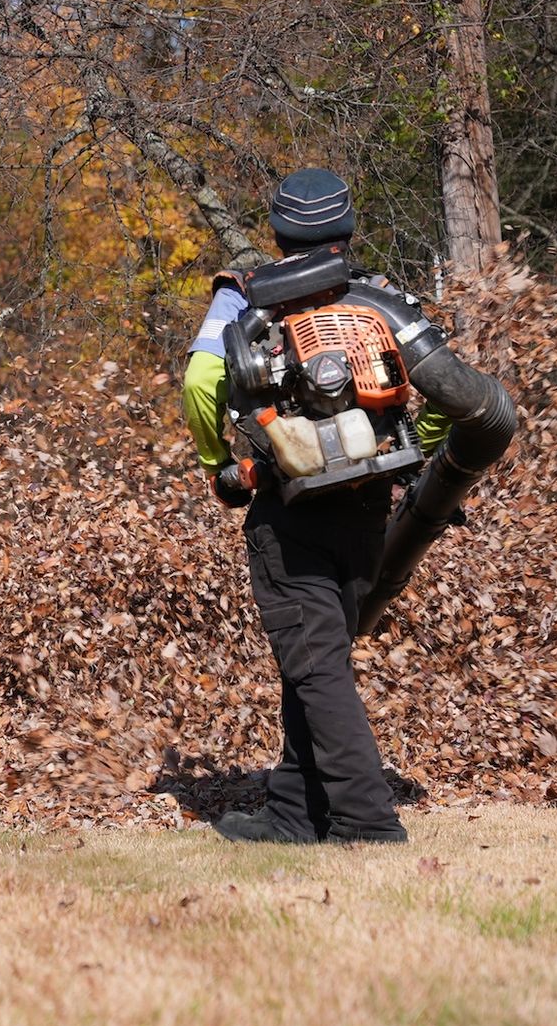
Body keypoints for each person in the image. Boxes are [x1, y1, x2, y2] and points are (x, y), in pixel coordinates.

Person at [181, 169, 423, 844]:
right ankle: (295, 811)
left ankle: (367, 823)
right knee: (312, 657)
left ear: (277, 232)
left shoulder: (244, 296)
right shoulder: (379, 297)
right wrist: (409, 461)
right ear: (347, 230)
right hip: (371, 503)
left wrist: (218, 466)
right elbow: (444, 391)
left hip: (290, 505)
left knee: (316, 666)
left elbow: (202, 382)